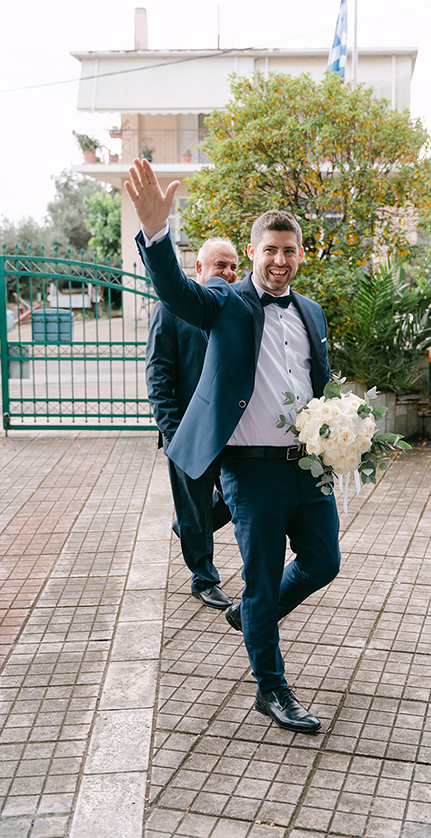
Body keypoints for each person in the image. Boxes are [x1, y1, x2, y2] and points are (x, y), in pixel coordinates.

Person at [125, 159, 340, 734]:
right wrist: (156, 233)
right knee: (264, 578)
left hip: (307, 466)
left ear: (299, 255)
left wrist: (341, 440)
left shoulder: (311, 311)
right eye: (269, 250)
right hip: (251, 471)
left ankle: (250, 616)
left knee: (324, 562)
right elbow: (173, 290)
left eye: (289, 250)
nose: (279, 260)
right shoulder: (225, 303)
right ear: (252, 254)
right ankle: (271, 688)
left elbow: (319, 384)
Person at [145, 237, 239, 610]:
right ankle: (203, 578)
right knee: (194, 504)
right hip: (188, 431)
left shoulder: (239, 308)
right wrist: (173, 431)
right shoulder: (170, 309)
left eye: (233, 266)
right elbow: (158, 375)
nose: (229, 273)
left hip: (235, 431)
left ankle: (189, 527)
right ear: (198, 269)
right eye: (220, 265)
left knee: (237, 499)